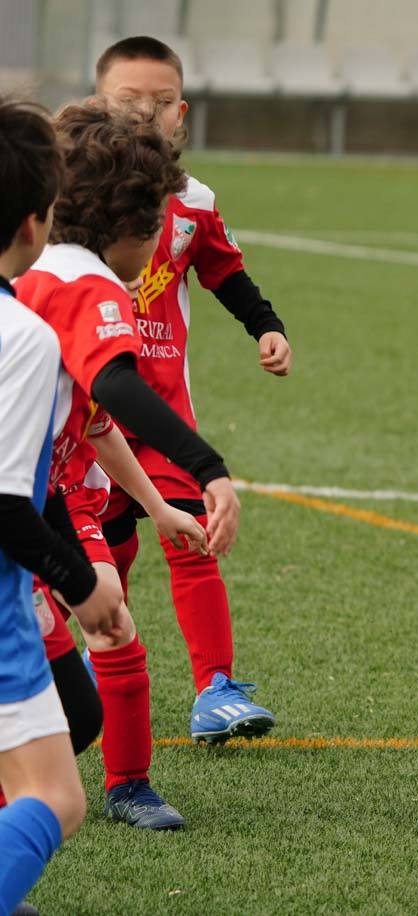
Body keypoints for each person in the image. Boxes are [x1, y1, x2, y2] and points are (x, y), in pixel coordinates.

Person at [15, 99, 234, 829]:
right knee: (93, 640)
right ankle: (117, 784)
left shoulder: (45, 272)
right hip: (33, 499)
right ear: (134, 225)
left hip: (55, 493)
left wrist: (159, 504)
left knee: (103, 627)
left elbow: (94, 420)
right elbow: (114, 386)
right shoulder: (91, 286)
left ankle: (126, 784)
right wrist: (207, 468)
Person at [94, 36, 289, 739]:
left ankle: (215, 686)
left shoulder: (193, 202)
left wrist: (265, 326)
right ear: (97, 106)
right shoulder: (71, 194)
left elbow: (223, 271)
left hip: (165, 413)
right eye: (127, 101)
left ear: (182, 114)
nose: (144, 113)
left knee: (193, 539)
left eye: (159, 102)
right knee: (106, 548)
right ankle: (96, 651)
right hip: (88, 413)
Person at [0, 96, 124, 916]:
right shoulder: (22, 338)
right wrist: (84, 589)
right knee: (58, 795)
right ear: (37, 223)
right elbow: (7, 504)